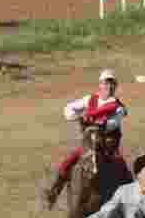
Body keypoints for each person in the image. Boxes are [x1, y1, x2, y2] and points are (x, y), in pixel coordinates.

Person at [44, 69, 130, 209]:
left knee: (122, 168)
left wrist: (95, 122)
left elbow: (112, 124)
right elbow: (68, 109)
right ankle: (53, 192)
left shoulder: (118, 107)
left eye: (112, 84)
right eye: (106, 83)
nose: (109, 86)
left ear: (115, 86)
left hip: (108, 145)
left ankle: (130, 200)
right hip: (89, 142)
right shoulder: (89, 99)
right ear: (100, 84)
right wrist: (77, 116)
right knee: (68, 161)